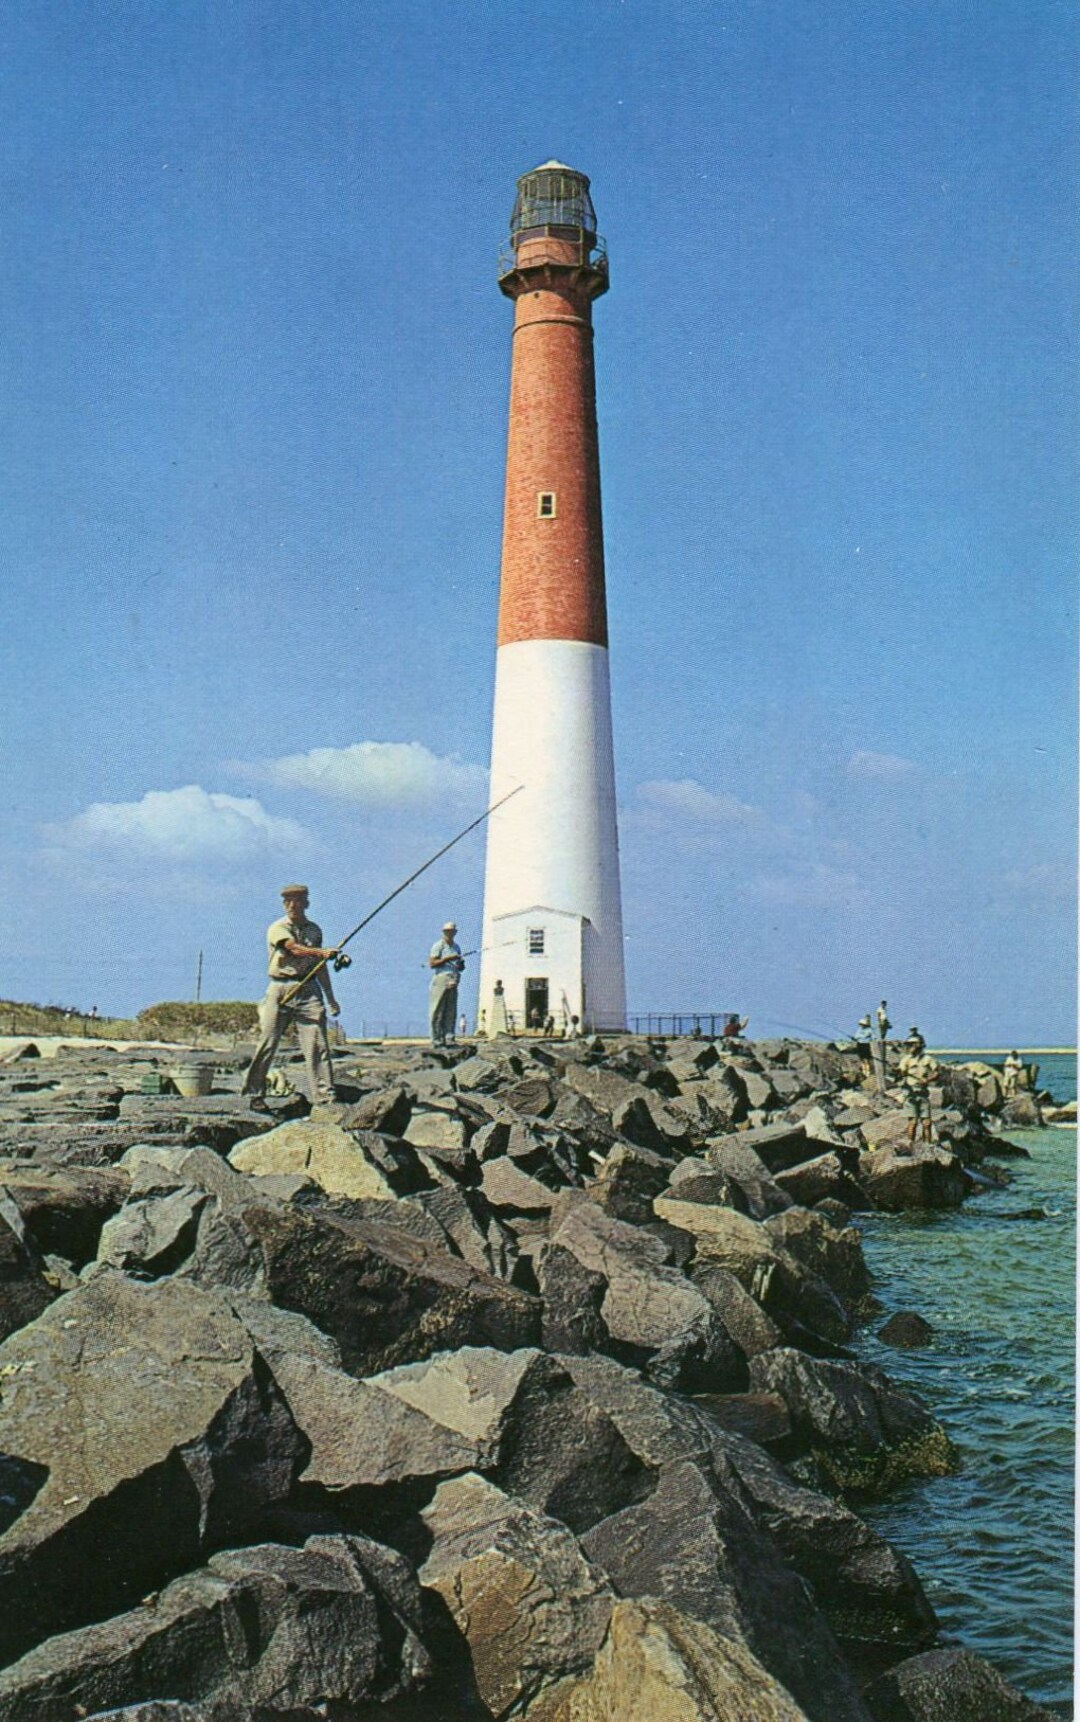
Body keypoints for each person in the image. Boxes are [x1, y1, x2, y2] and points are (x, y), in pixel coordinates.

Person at [242, 885, 340, 1110]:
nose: (292, 906)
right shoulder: (278, 928)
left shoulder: (314, 930)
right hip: (280, 988)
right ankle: (255, 1094)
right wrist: (322, 952)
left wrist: (331, 998)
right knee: (268, 1042)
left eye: (297, 901)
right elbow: (293, 948)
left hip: (308, 989)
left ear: (306, 903)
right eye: (287, 901)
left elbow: (320, 966)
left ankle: (325, 1098)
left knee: (317, 1044)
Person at [428, 920, 464, 1048]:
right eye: (447, 931)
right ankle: (437, 1039)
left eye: (452, 931)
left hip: (454, 978)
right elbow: (432, 963)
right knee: (437, 1010)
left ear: (455, 932)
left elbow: (461, 967)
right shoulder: (438, 946)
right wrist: (447, 959)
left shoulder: (456, 947)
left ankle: (449, 1038)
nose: (449, 933)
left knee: (451, 1011)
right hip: (441, 979)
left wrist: (460, 963)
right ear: (443, 932)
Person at [898, 1035, 938, 1144]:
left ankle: (928, 1146)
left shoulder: (927, 1059)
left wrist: (927, 1080)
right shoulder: (906, 1059)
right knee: (913, 1122)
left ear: (919, 1045)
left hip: (923, 1094)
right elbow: (900, 1073)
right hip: (910, 1095)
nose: (909, 1047)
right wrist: (901, 1073)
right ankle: (910, 1145)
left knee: (927, 1123)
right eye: (908, 1045)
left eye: (912, 1044)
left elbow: (937, 1072)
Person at [872, 999, 892, 1093]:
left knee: (885, 1030)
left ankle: (883, 1038)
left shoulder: (885, 1009)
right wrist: (879, 1021)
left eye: (885, 1004)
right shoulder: (879, 1009)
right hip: (882, 1020)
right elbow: (878, 1016)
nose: (884, 1005)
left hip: (885, 1020)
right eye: (883, 1004)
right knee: (882, 1030)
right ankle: (881, 1039)